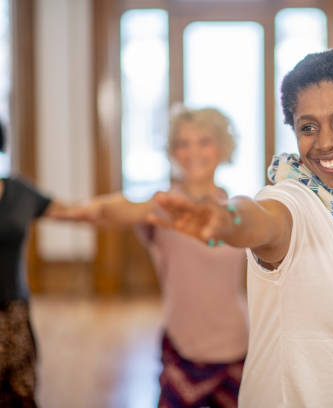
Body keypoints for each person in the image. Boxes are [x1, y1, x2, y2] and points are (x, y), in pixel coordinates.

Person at [150, 49, 333, 407]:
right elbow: (260, 218)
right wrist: (225, 219)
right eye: (308, 127)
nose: (326, 141)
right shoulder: (293, 202)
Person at [81, 106, 249, 408]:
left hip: (238, 345)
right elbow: (116, 211)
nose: (192, 151)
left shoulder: (237, 208)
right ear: (172, 151)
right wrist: (73, 210)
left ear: (223, 147)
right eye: (182, 143)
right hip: (184, 349)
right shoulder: (161, 207)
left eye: (203, 141)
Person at [0, 122, 89, 407]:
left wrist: (139, 209)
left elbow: (76, 212)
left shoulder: (19, 192)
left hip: (12, 313)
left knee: (19, 396)